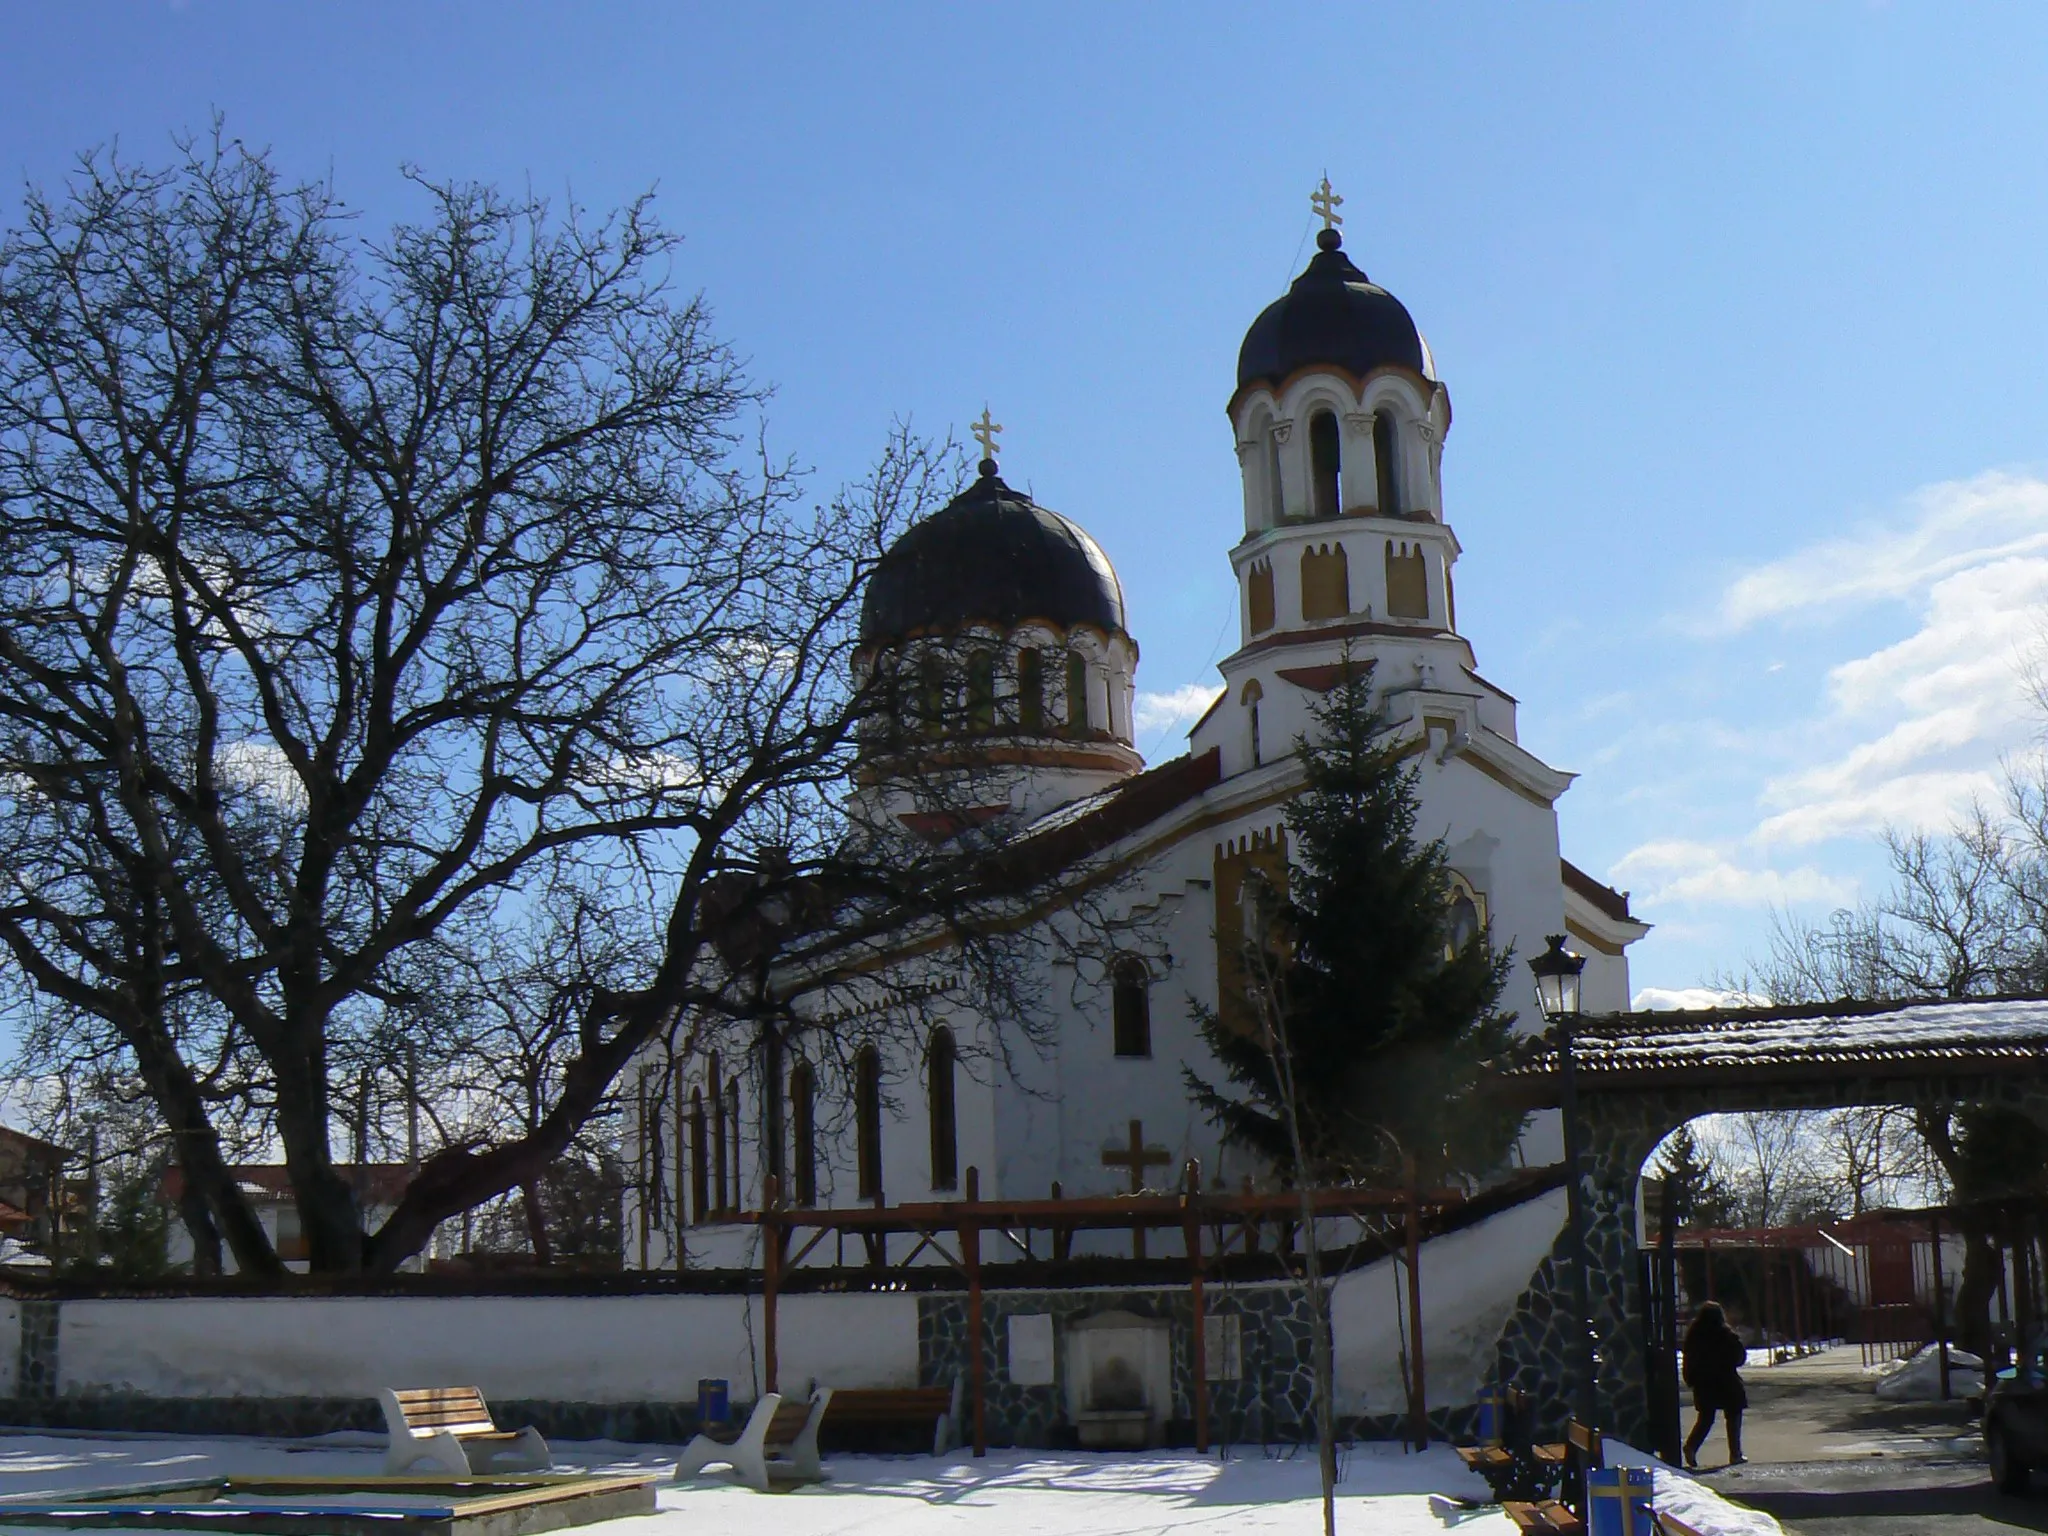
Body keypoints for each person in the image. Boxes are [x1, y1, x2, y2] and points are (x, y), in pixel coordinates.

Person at [1681, 1300, 1748, 1468]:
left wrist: (1691, 1380)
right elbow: (1739, 1357)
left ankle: (1691, 1446)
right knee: (1733, 1414)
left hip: (1704, 1384)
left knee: (1706, 1418)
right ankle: (1735, 1453)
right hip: (1726, 1381)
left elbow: (1688, 1362)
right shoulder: (1725, 1335)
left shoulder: (1693, 1337)